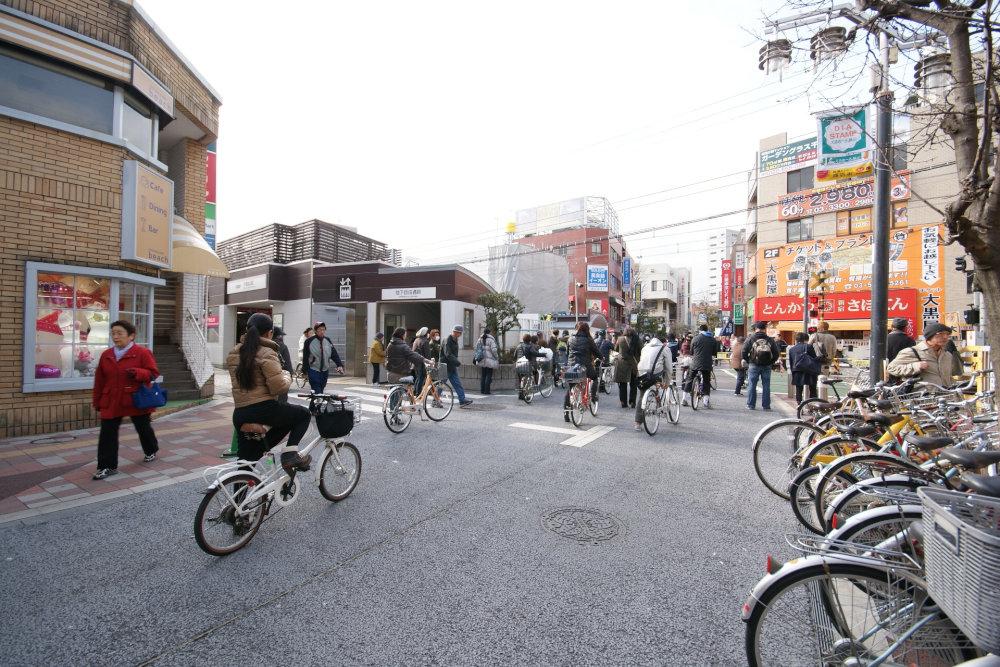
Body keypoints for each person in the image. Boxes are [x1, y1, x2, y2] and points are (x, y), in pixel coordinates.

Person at [227, 313, 312, 470]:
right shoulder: (267, 352)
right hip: (263, 409)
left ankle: (240, 493)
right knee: (303, 415)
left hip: (240, 413)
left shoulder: (234, 352)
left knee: (245, 462)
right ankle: (290, 455)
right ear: (269, 333)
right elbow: (278, 387)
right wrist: (286, 375)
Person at [91, 320, 161, 480]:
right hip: (111, 400)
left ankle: (151, 450)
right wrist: (97, 401)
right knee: (107, 433)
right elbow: (100, 381)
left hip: (135, 399)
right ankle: (106, 466)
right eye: (113, 333)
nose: (115, 337)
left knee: (143, 427)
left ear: (131, 336)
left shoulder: (142, 353)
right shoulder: (106, 355)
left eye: (119, 333)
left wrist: (138, 373)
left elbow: (153, 374)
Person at [887, 322, 960, 388]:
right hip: (922, 398)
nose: (945, 337)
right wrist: (914, 366)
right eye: (941, 334)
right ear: (929, 336)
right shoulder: (912, 352)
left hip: (945, 397)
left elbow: (948, 377)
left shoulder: (947, 355)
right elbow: (891, 368)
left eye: (947, 334)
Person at [564, 321, 602, 422]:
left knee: (570, 388)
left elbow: (568, 353)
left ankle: (566, 414)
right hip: (585, 366)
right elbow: (596, 352)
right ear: (586, 330)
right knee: (594, 378)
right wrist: (602, 358)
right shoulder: (588, 340)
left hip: (572, 367)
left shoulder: (570, 338)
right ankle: (593, 397)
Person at [634, 334, 672, 430]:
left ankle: (637, 423)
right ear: (663, 341)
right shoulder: (665, 348)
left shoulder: (645, 347)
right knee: (659, 379)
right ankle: (658, 401)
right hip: (655, 374)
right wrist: (667, 382)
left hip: (642, 373)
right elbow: (668, 368)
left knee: (642, 396)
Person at [742, 321, 781, 411]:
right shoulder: (770, 339)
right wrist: (771, 362)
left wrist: (749, 361)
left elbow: (744, 351)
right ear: (765, 329)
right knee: (766, 385)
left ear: (756, 329)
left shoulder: (751, 338)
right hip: (767, 365)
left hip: (753, 364)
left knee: (752, 385)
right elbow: (776, 353)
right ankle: (766, 406)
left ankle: (751, 405)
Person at [303, 321, 344, 394]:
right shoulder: (309, 341)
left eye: (323, 329)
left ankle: (313, 405)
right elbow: (305, 357)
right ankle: (316, 404)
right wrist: (305, 371)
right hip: (313, 370)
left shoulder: (327, 340)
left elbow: (333, 353)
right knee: (317, 391)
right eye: (320, 329)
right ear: (316, 331)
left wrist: (339, 365)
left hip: (325, 370)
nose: (322, 331)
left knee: (320, 391)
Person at [685, 324, 719, 408]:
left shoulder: (695, 338)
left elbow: (691, 351)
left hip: (695, 363)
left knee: (690, 378)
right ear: (707, 330)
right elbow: (715, 352)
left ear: (700, 330)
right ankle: (705, 401)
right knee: (706, 381)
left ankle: (684, 398)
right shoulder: (712, 339)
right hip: (707, 363)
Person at [443, 325, 473, 407]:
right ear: (455, 332)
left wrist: (455, 363)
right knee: (441, 384)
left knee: (457, 384)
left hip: (451, 366)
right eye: (460, 333)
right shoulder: (448, 340)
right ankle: (435, 400)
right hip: (445, 366)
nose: (460, 335)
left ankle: (462, 400)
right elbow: (448, 354)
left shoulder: (455, 340)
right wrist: (457, 362)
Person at [788, 331, 820, 404]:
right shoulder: (808, 346)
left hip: (797, 371)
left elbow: (791, 362)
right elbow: (814, 358)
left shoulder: (791, 349)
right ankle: (812, 404)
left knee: (799, 388)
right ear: (805, 339)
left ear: (796, 340)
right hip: (809, 370)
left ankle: (799, 404)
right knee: (812, 388)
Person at [614, 326, 641, 409]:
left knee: (622, 384)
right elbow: (641, 351)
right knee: (633, 384)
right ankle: (632, 402)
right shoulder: (637, 340)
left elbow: (616, 349)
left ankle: (623, 402)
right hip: (634, 364)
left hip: (622, 364)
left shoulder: (620, 339)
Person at [515, 333, 540, 401]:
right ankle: (526, 393)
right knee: (529, 377)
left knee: (520, 379)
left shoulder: (519, 346)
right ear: (530, 340)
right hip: (527, 364)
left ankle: (520, 394)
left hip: (519, 364)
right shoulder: (530, 347)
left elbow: (515, 355)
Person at [272, 326, 293, 403]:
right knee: (281, 403)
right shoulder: (282, 346)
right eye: (280, 335)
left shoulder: (262, 345)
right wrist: (290, 377)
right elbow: (288, 365)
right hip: (280, 378)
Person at [476, 327, 499, 394]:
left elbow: (477, 348)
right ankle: (487, 391)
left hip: (482, 359)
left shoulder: (480, 339)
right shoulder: (491, 340)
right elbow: (494, 350)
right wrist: (497, 357)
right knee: (488, 375)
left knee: (483, 375)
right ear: (489, 332)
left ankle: (482, 390)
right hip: (490, 360)